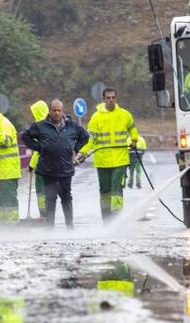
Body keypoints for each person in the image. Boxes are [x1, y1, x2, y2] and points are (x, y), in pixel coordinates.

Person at [21, 98, 89, 228]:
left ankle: (70, 226)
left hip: (65, 169)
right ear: (50, 111)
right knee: (50, 199)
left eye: (59, 110)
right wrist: (38, 147)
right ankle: (49, 227)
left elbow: (85, 136)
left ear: (62, 111)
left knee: (66, 198)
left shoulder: (72, 125)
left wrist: (75, 148)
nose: (57, 113)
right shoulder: (41, 126)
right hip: (48, 169)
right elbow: (25, 136)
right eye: (54, 110)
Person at [78, 88, 140, 221]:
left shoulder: (125, 115)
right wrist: (83, 152)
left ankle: (117, 219)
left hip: (120, 160)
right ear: (104, 99)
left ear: (116, 99)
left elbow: (132, 127)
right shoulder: (96, 117)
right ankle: (106, 218)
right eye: (108, 98)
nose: (111, 100)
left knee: (116, 189)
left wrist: (134, 139)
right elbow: (91, 139)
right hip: (102, 160)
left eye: (113, 97)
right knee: (105, 191)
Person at [25, 100, 50, 218]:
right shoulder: (52, 123)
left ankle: (44, 215)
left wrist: (31, 165)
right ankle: (50, 214)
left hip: (42, 165)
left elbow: (38, 151)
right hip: (54, 164)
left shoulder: (39, 126)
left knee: (41, 192)